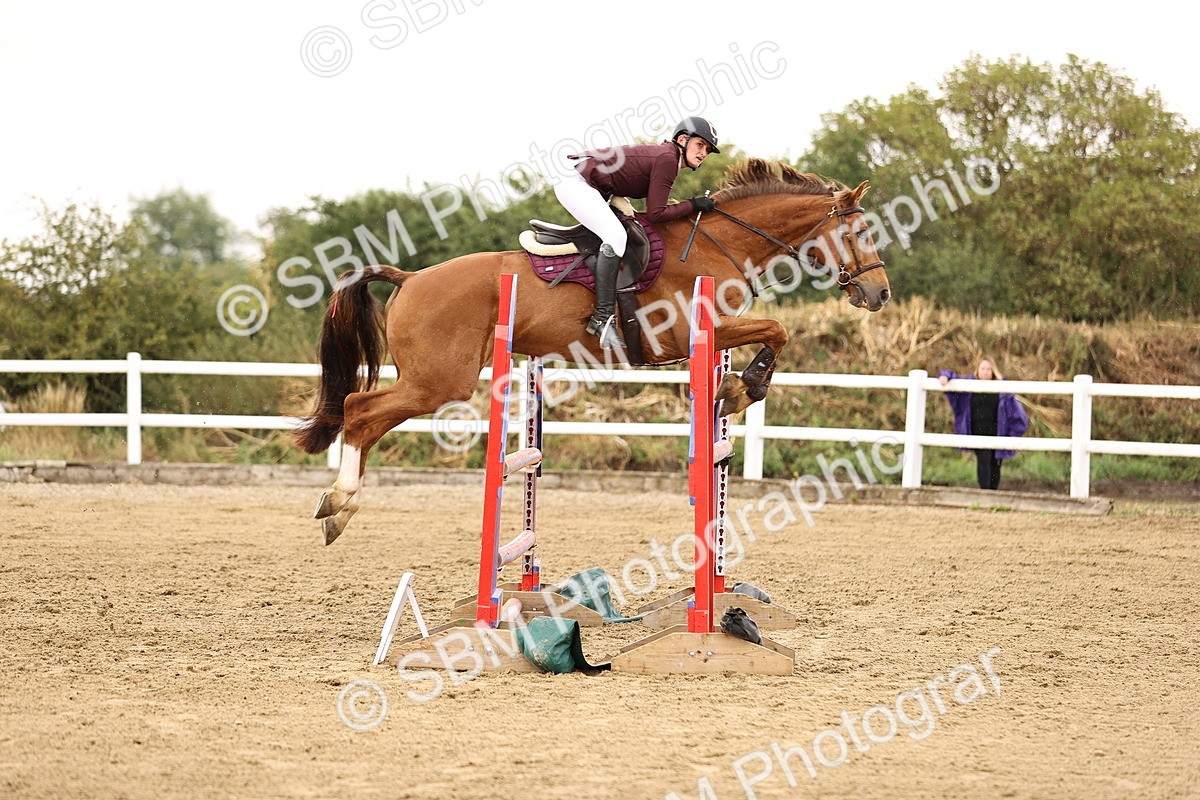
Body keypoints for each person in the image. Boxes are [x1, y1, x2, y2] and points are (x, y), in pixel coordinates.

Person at [553, 116, 721, 349]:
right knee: (616, 237)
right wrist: (693, 204)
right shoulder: (667, 160)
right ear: (683, 139)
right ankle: (602, 318)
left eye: (708, 150)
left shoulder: (668, 156)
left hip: (588, 185)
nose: (704, 153)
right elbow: (657, 214)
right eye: (700, 145)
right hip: (577, 183)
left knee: (622, 232)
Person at [938, 358, 1029, 490]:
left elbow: (1017, 414)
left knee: (996, 464)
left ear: (993, 371)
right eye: (983, 368)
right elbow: (952, 377)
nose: (985, 372)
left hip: (998, 432)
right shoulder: (969, 385)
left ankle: (993, 492)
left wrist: (1013, 433)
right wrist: (944, 376)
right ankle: (985, 491)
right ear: (978, 370)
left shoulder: (1003, 389)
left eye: (988, 369)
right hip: (978, 430)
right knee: (983, 461)